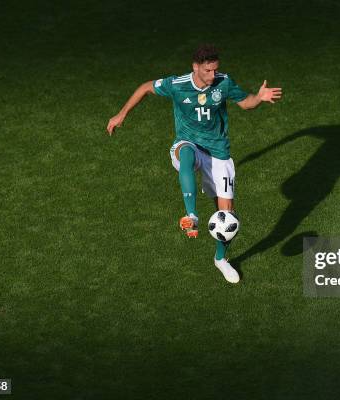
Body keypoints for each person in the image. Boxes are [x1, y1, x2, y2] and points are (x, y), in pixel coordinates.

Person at [106, 44, 282, 283]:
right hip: (189, 144)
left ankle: (221, 259)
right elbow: (146, 87)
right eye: (207, 71)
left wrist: (259, 98)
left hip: (218, 153)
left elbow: (245, 103)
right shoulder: (177, 85)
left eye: (215, 70)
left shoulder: (224, 82)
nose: (212, 76)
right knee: (186, 153)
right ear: (195, 67)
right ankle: (192, 215)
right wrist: (122, 113)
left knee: (227, 215)